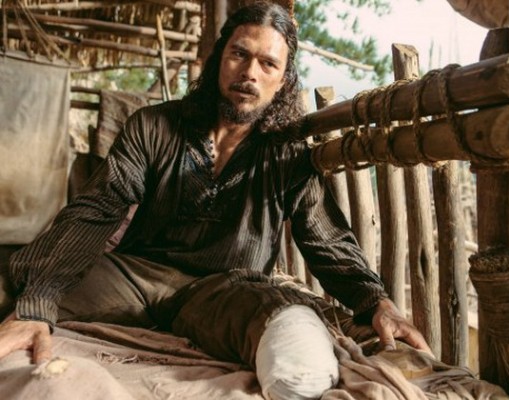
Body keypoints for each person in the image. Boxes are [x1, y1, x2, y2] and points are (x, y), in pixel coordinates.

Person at [0, 2, 431, 398]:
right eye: (239, 54)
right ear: (218, 58)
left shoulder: (287, 154)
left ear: (284, 80)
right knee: (16, 285)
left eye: (268, 63)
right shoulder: (154, 126)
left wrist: (375, 301)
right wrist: (37, 303)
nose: (250, 73)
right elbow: (97, 209)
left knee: (283, 322)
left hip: (224, 288)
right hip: (133, 275)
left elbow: (326, 239)